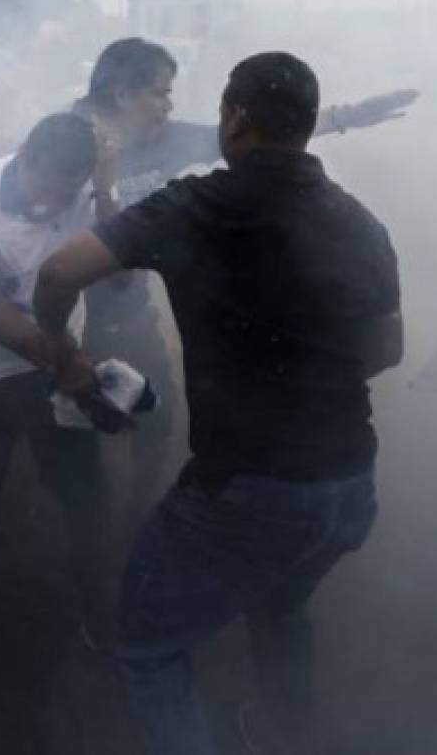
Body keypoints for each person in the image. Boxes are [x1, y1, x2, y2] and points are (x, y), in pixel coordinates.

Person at [35, 52, 403, 755]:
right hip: (350, 484)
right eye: (160, 92)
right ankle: (281, 730)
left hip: (246, 491)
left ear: (236, 122)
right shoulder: (362, 222)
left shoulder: (195, 207)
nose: (173, 106)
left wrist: (59, 350)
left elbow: (58, 271)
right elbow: (387, 351)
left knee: (146, 648)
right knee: (282, 604)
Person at [72, 38, 417, 535]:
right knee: (86, 433)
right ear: (123, 94)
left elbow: (269, 133)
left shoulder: (166, 138)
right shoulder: (70, 137)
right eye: (160, 93)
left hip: (131, 311)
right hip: (78, 315)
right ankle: (87, 536)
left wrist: (355, 115)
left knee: (155, 422)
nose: (170, 105)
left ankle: (131, 522)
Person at [0, 112, 118, 685]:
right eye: (49, 188)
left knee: (86, 499)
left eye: (72, 192)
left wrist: (106, 192)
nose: (54, 205)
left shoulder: (88, 193)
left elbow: (122, 278)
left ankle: (99, 614)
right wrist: (63, 361)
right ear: (26, 157)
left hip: (52, 379)